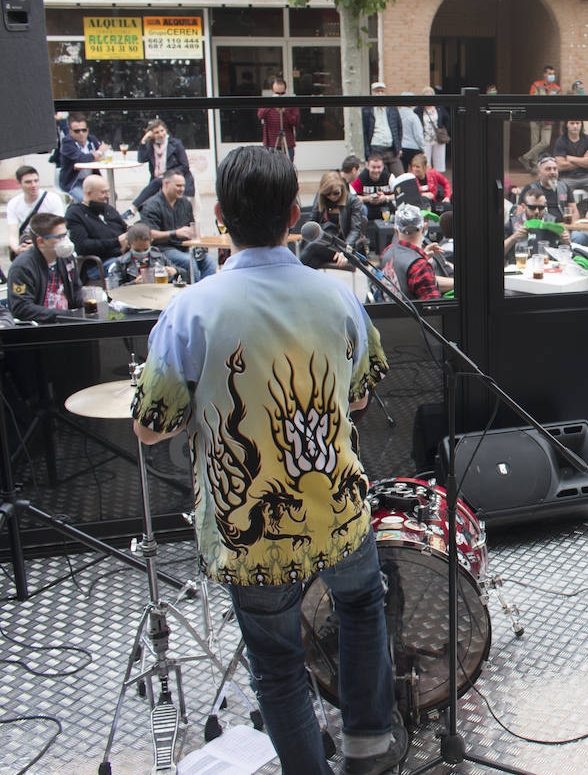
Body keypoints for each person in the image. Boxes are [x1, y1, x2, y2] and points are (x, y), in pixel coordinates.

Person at [129, 145, 404, 775]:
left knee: (278, 663)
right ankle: (370, 748)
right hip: (337, 508)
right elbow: (361, 393)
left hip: (248, 525)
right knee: (362, 608)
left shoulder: (190, 311)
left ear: (221, 216)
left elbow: (150, 428)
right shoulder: (339, 300)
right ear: (292, 213)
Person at [7, 213, 83, 323]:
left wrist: (86, 300)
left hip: (68, 322)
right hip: (41, 328)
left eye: (65, 235)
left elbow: (76, 289)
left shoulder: (67, 258)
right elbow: (21, 308)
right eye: (59, 237)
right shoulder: (23, 267)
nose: (65, 241)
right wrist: (64, 314)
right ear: (41, 241)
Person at [141, 173, 216, 283]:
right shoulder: (151, 205)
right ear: (166, 184)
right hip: (165, 249)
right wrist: (175, 233)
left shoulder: (185, 203)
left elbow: (192, 225)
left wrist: (199, 237)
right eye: (178, 186)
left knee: (209, 260)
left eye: (183, 186)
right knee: (189, 262)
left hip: (186, 247)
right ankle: (194, 293)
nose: (182, 189)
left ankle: (209, 291)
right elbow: (150, 234)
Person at [299, 171, 367, 270]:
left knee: (313, 248)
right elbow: (313, 221)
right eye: (328, 194)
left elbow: (355, 231)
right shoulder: (321, 198)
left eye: (336, 193)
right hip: (324, 243)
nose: (332, 197)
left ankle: (292, 277)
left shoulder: (353, 202)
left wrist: (345, 250)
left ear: (342, 189)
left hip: (344, 246)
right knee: (313, 261)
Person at [65, 174, 129, 278]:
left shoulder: (108, 210)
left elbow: (124, 229)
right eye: (103, 192)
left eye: (108, 191)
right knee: (121, 268)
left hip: (123, 256)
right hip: (98, 264)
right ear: (88, 193)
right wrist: (116, 241)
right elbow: (83, 246)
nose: (108, 195)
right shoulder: (75, 213)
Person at [380, 205, 450, 300]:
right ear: (424, 228)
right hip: (412, 314)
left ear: (396, 230)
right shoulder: (420, 266)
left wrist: (422, 256)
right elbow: (433, 308)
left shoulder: (387, 252)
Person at [132, 118, 195, 210]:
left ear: (166, 130)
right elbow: (141, 159)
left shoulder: (175, 144)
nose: (161, 134)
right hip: (158, 183)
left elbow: (184, 166)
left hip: (176, 180)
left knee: (158, 181)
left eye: (162, 131)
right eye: (157, 132)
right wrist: (143, 141)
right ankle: (135, 209)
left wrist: (166, 176)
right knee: (146, 206)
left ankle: (133, 208)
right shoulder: (150, 145)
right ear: (152, 135)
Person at [6, 164, 66, 257]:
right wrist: (17, 249)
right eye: (28, 182)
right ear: (19, 184)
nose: (33, 185)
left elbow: (60, 229)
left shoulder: (53, 199)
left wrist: (39, 244)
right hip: (26, 244)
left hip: (50, 242)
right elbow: (12, 233)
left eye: (36, 181)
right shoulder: (13, 204)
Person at [55, 113, 108, 201]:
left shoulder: (92, 140)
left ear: (87, 130)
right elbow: (82, 159)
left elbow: (103, 158)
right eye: (77, 131)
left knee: (109, 196)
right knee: (87, 201)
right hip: (74, 182)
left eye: (84, 130)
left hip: (92, 180)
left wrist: (92, 157)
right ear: (71, 132)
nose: (81, 133)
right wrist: (98, 152)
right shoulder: (67, 143)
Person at [521, 65, 562, 171]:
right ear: (544, 74)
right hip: (536, 118)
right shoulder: (536, 85)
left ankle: (525, 157)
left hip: (548, 119)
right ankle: (534, 165)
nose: (551, 76)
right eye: (549, 73)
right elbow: (532, 100)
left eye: (553, 74)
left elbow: (558, 104)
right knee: (534, 141)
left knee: (545, 142)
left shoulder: (557, 89)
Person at [106, 222, 170, 287]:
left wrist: (175, 271)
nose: (142, 253)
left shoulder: (159, 257)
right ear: (129, 245)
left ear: (151, 242)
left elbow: (179, 272)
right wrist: (134, 283)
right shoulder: (121, 263)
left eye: (145, 249)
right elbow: (114, 289)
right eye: (137, 250)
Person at [257, 77, 300, 162]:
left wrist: (285, 111)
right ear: (272, 91)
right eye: (277, 93)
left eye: (282, 93)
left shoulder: (291, 103)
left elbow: (296, 122)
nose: (280, 96)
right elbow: (260, 116)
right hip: (270, 144)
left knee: (287, 169)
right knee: (272, 170)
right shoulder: (266, 102)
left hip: (287, 143)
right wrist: (271, 103)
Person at [361, 81, 403, 160]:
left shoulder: (392, 108)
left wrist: (399, 147)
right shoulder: (367, 110)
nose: (380, 93)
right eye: (377, 91)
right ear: (372, 93)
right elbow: (365, 132)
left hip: (391, 149)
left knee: (399, 171)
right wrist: (367, 153)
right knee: (378, 170)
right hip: (375, 149)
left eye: (382, 91)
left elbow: (399, 128)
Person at [414, 88, 450, 173]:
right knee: (425, 162)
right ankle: (428, 180)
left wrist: (444, 130)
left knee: (439, 162)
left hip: (438, 139)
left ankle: (438, 181)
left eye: (431, 96)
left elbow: (447, 119)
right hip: (425, 139)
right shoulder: (419, 110)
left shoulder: (439, 108)